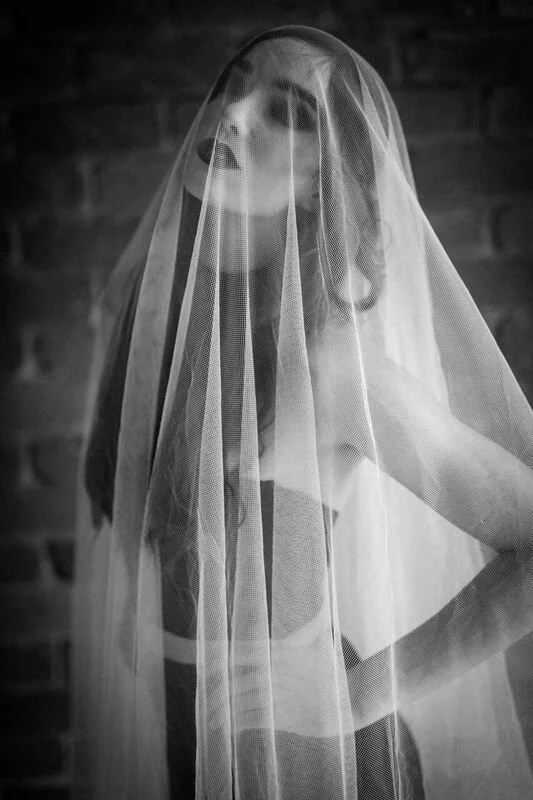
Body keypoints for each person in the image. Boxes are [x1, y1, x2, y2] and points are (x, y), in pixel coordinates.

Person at [72, 25, 533, 800]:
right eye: (234, 83)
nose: (230, 114)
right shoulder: (144, 317)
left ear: (323, 179)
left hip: (311, 767)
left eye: (284, 110)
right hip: (188, 749)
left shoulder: (332, 371)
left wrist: (354, 697)